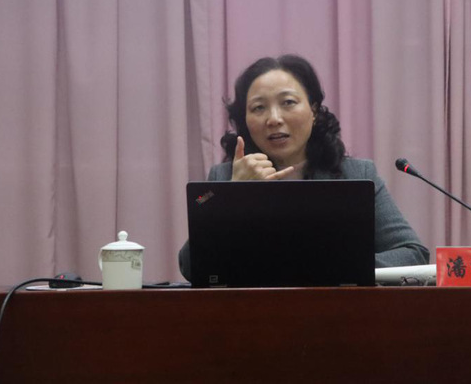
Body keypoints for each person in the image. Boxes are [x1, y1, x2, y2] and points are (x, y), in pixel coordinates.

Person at [178, 55, 429, 281]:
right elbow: (191, 266)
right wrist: (234, 196)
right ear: (245, 119)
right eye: (258, 107)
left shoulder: (357, 175)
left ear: (314, 111)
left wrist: (343, 268)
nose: (274, 118)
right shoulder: (224, 178)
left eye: (288, 102)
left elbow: (412, 254)